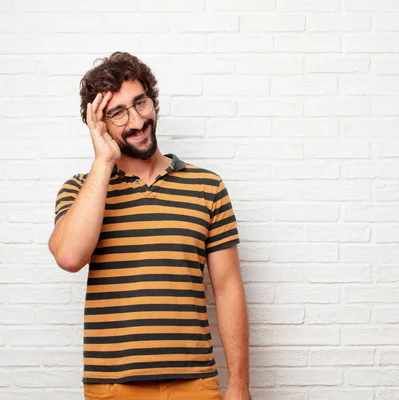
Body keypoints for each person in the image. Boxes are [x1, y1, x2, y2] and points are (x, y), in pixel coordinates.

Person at [48, 52, 251, 400]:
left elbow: (228, 287)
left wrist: (238, 385)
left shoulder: (207, 187)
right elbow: (69, 257)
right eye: (117, 112)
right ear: (100, 125)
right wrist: (103, 161)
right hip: (112, 386)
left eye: (140, 103)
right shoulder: (81, 190)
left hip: (196, 383)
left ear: (153, 102)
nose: (136, 120)